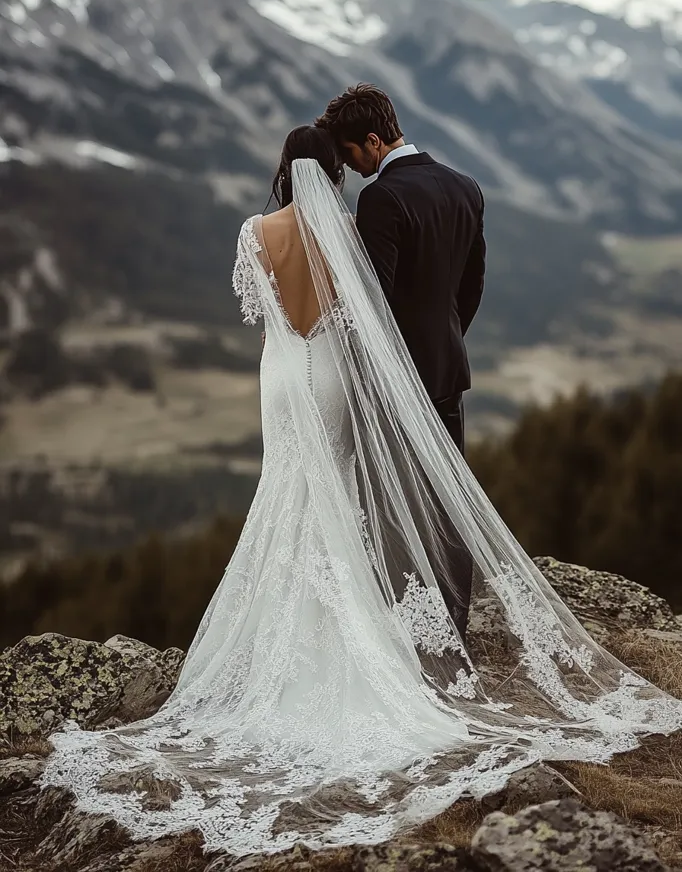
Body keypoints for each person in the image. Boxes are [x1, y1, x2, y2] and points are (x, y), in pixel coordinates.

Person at [39, 125, 682, 860]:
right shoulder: (348, 229)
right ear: (335, 172)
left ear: (285, 168)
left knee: (286, 489)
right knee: (340, 493)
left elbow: (264, 323)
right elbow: (366, 318)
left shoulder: (255, 231)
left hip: (283, 378)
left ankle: (281, 636)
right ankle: (353, 629)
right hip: (339, 380)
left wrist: (287, 352)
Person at [316, 85, 485, 640]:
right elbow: (471, 286)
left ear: (372, 140)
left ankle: (408, 625)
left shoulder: (383, 199)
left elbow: (374, 302)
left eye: (350, 154)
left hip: (398, 377)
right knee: (447, 495)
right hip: (447, 368)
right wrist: (446, 337)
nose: (350, 167)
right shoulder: (465, 186)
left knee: (395, 503)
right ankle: (451, 622)